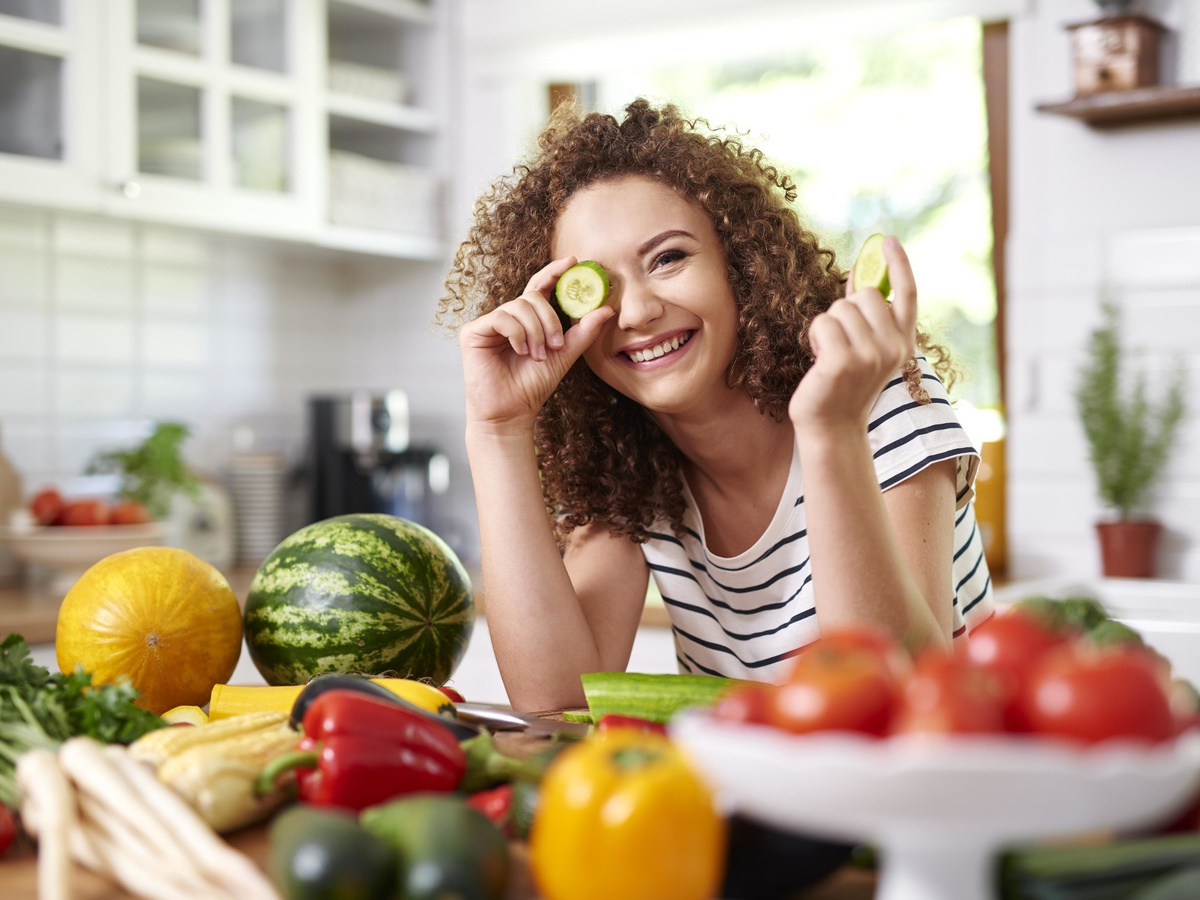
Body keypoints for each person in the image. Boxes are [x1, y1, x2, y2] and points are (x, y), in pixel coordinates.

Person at [438, 98, 994, 712]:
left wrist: (830, 431)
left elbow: (897, 696)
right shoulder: (631, 473)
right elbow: (555, 701)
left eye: (669, 259)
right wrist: (497, 431)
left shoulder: (875, 401)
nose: (638, 312)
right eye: (599, 285)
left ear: (740, 263)